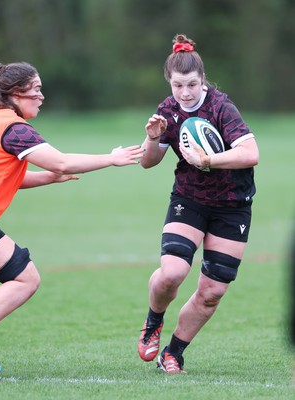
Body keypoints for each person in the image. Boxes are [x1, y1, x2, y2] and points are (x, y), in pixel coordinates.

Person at [0, 59, 144, 375]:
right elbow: (61, 161)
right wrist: (111, 159)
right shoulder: (14, 128)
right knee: (25, 277)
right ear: (17, 93)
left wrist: (47, 178)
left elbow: (2, 175)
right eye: (36, 90)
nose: (42, 96)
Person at [137, 34, 259, 374]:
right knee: (172, 272)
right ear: (170, 82)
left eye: (191, 84)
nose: (185, 93)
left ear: (202, 79)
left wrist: (209, 160)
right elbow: (148, 162)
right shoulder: (167, 110)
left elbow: (251, 154)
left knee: (212, 291)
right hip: (189, 199)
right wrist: (152, 138)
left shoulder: (221, 106)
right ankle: (153, 322)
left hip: (233, 205)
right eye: (178, 85)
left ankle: (173, 353)